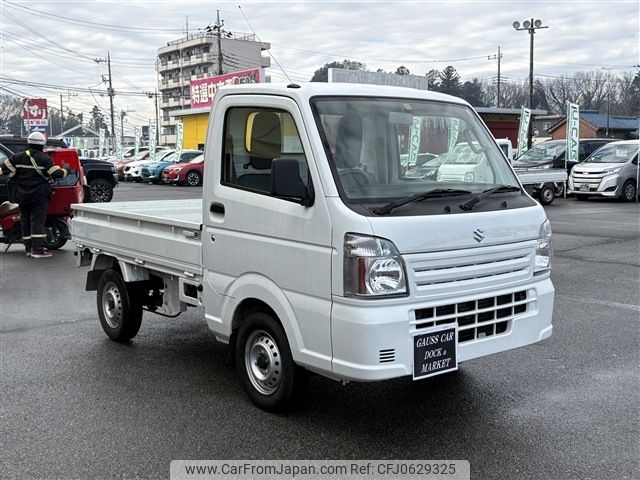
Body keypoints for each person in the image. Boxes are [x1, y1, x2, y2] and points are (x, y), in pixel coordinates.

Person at [1, 132, 67, 258]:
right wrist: (66, 170)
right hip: (38, 195)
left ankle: (29, 248)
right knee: (37, 221)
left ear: (28, 143)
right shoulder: (44, 159)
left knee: (25, 221)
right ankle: (38, 250)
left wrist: (16, 173)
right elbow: (57, 173)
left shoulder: (17, 157)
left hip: (21, 195)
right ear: (42, 144)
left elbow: (4, 169)